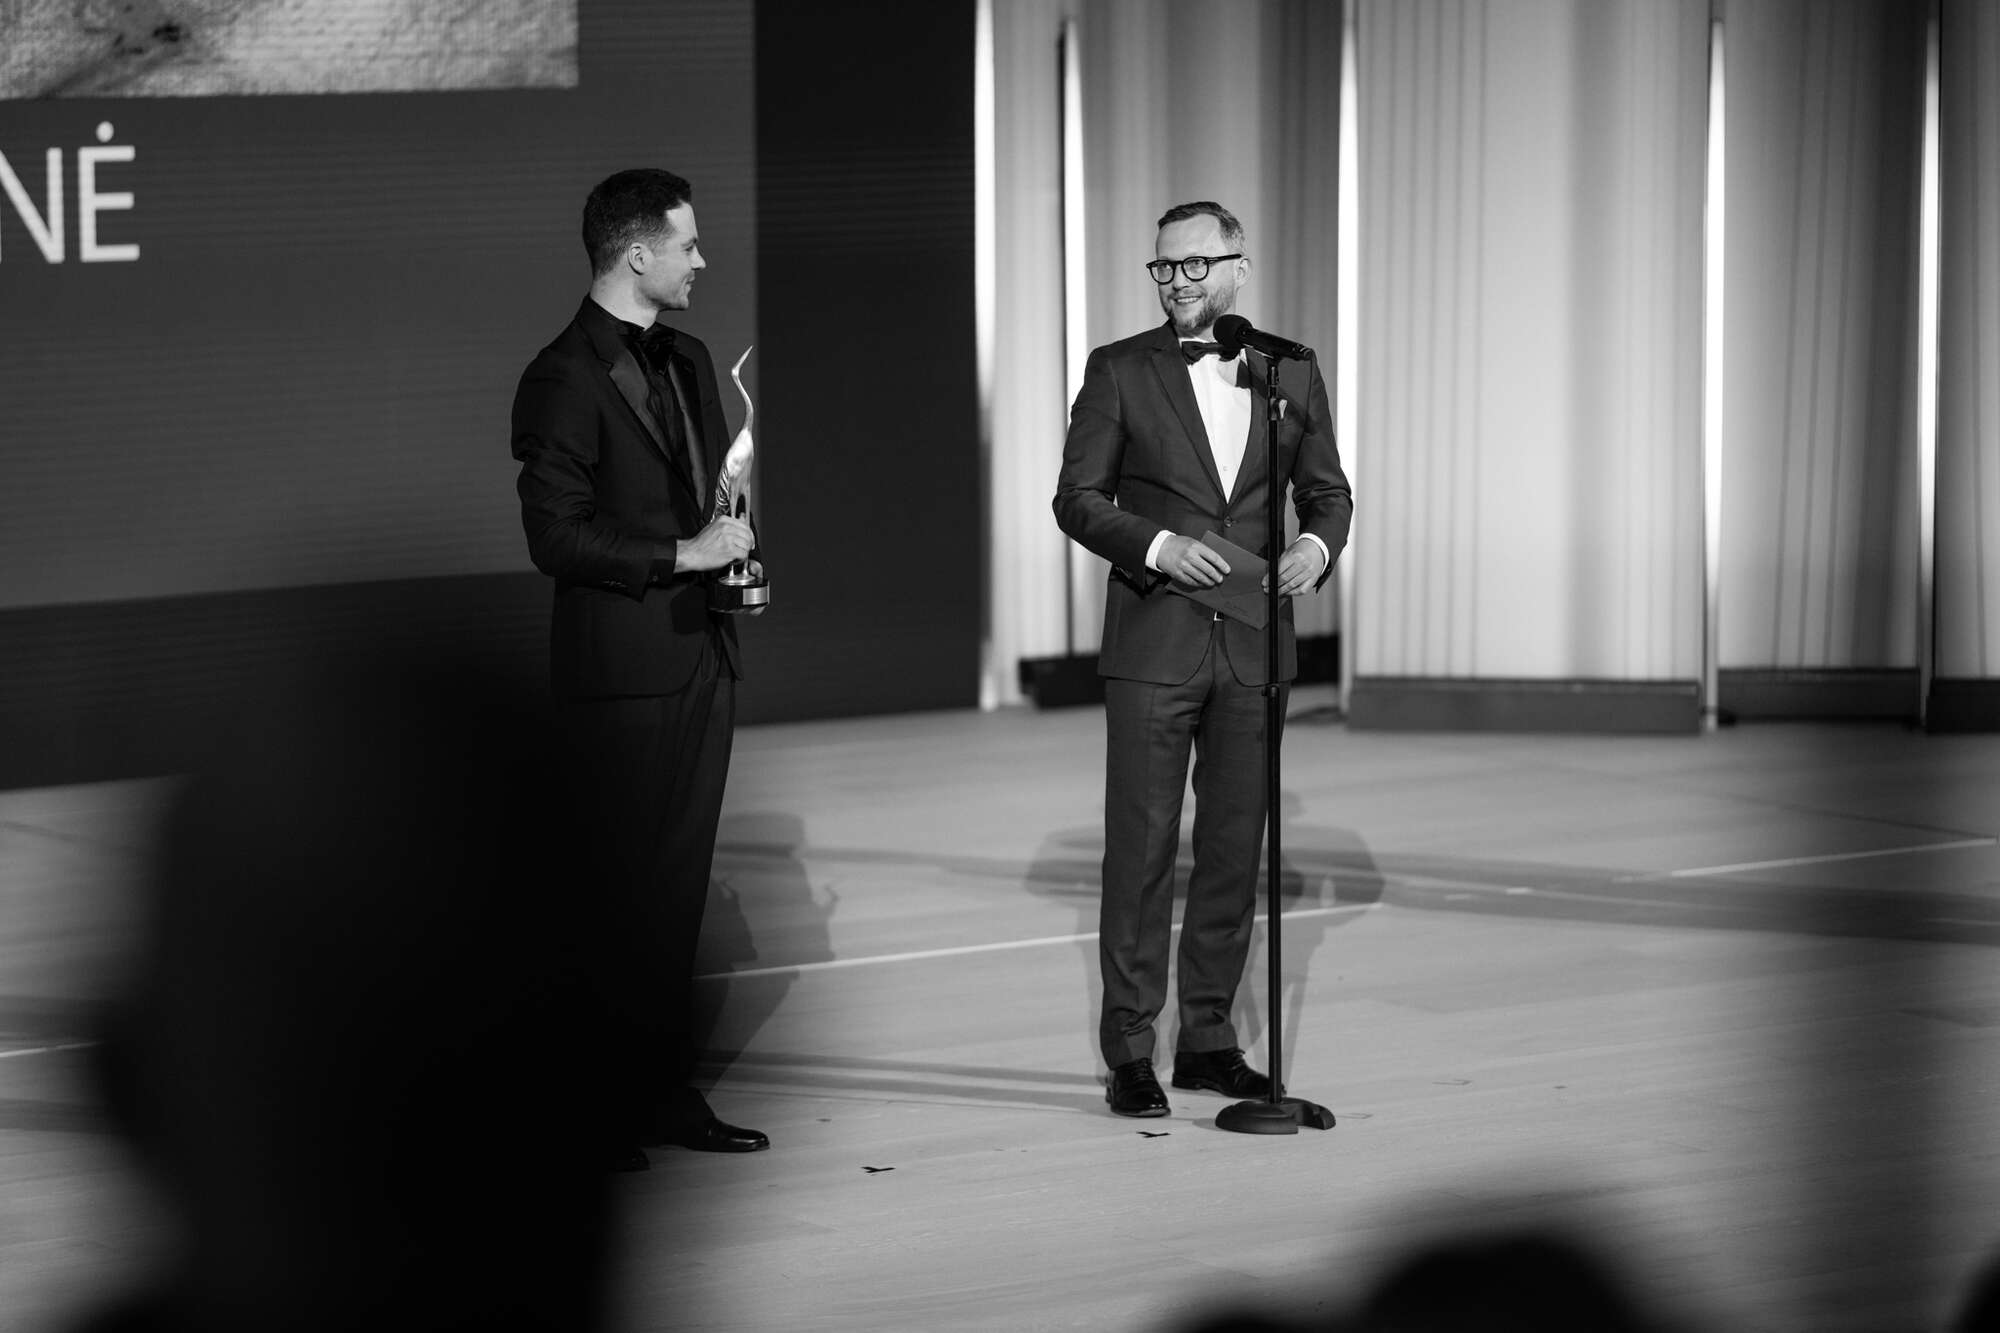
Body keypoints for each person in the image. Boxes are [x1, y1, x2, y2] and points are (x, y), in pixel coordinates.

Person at [1053, 201, 1352, 1117]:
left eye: (1195, 264)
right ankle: (1131, 1051)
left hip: (1254, 646)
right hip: (1157, 642)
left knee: (1231, 850)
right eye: (1165, 267)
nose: (1178, 281)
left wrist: (1316, 548)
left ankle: (1210, 1041)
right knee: (1141, 853)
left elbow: (1328, 492)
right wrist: (1157, 546)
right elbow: (1077, 498)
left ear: (1237, 268)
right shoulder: (1120, 369)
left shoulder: (1290, 370)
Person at [511, 168, 767, 1162]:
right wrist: (681, 554)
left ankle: (658, 1091)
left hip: (703, 656)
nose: (702, 260)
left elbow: (708, 499)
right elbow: (555, 537)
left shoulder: (694, 358)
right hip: (617, 675)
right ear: (636, 254)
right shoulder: (560, 376)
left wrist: (731, 553)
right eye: (688, 244)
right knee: (609, 897)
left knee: (676, 891)